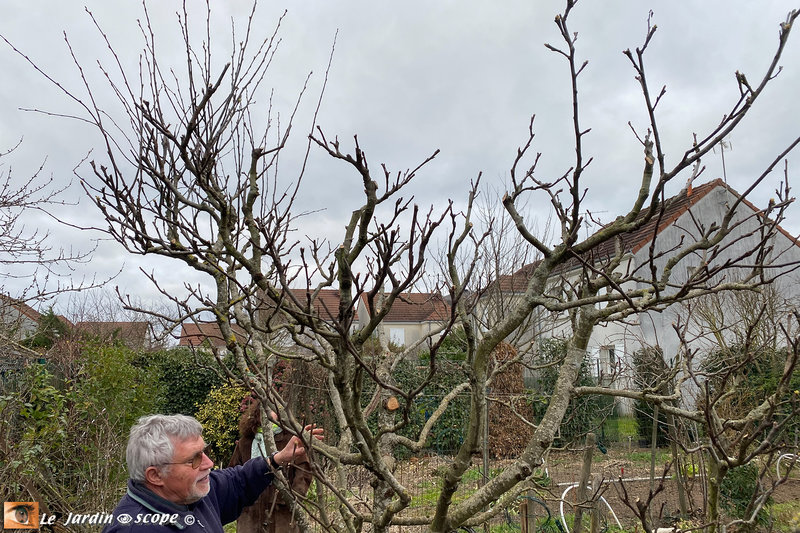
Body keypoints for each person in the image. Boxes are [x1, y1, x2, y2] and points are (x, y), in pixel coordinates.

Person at [103, 414, 322, 533]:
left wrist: (277, 459)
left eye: (204, 452)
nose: (209, 463)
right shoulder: (135, 528)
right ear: (155, 475)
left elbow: (238, 481)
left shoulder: (195, 494)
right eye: (195, 458)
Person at [228, 400, 313, 533]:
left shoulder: (290, 439)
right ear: (257, 414)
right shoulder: (246, 442)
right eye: (264, 411)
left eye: (271, 410)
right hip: (250, 513)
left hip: (282, 513)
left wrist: (292, 497)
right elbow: (232, 472)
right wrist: (240, 500)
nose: (268, 414)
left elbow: (304, 471)